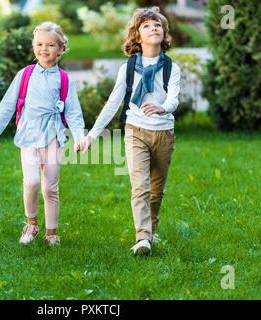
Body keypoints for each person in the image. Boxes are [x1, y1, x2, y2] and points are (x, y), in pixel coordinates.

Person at [75, 7, 181, 256]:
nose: (153, 28)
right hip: (135, 131)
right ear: (137, 36)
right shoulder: (129, 68)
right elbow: (113, 103)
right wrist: (92, 134)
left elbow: (174, 99)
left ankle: (151, 230)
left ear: (164, 33)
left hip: (164, 133)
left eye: (157, 25)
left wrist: (162, 108)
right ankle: (143, 237)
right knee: (140, 187)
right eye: (146, 26)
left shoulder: (171, 68)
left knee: (157, 191)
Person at [0, 22, 85, 246]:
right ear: (33, 47)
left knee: (50, 187)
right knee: (31, 181)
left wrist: (79, 137)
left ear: (61, 49)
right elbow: (7, 104)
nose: (44, 49)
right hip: (29, 134)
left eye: (50, 45)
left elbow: (74, 112)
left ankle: (51, 233)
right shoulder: (25, 75)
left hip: (53, 135)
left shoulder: (64, 79)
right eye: (39, 44)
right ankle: (31, 224)